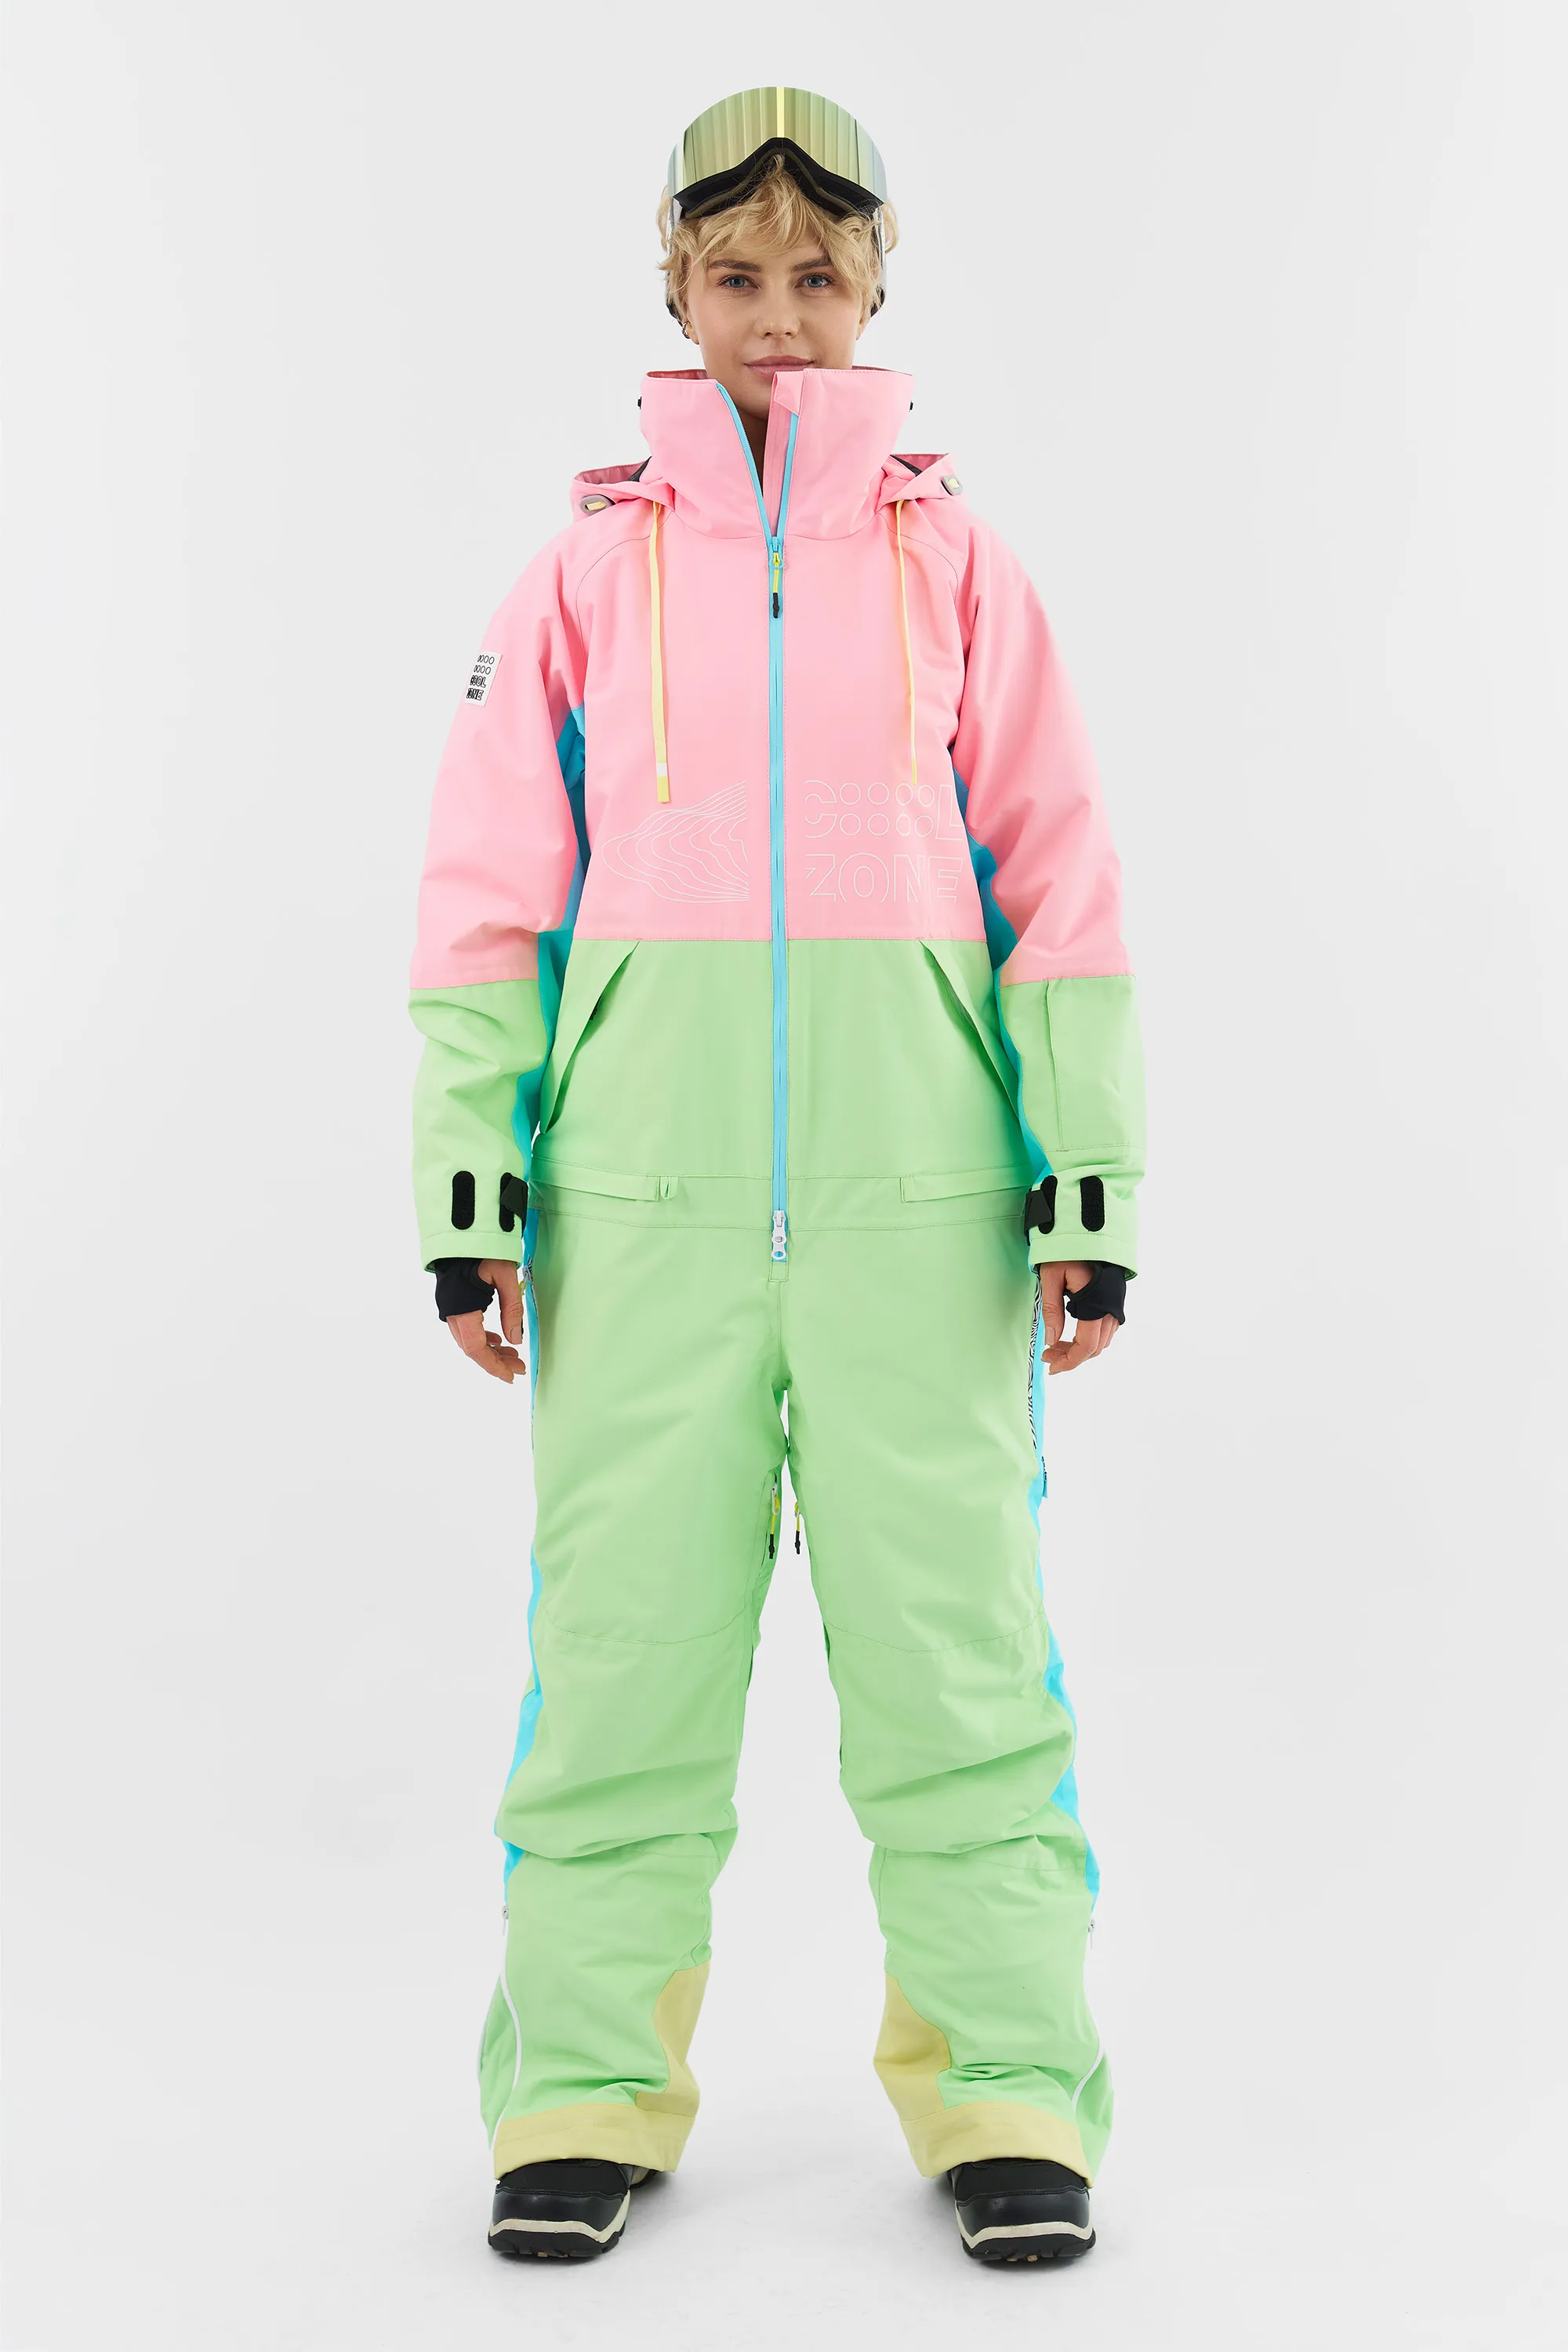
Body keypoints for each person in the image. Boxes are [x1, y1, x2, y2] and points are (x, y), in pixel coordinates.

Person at [408, 85, 1145, 2267]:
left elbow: (1061, 888)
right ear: (677, 282)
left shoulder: (956, 567)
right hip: (643, 1222)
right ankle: (580, 2088)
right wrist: (474, 1186)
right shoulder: (583, 573)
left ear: (876, 282)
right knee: (622, 1661)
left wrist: (1086, 1183)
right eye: (735, 274)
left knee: (959, 1662)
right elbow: (487, 901)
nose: (777, 316)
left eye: (818, 274)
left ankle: (1009, 2087)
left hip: (922, 1219)